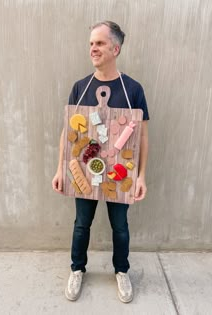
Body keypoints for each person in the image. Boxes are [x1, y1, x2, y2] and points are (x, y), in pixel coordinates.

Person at [52, 21, 149, 303]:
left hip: (121, 173)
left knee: (120, 225)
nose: (93, 48)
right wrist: (60, 169)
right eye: (91, 43)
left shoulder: (133, 89)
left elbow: (142, 136)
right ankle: (77, 268)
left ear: (115, 49)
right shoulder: (80, 87)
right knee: (82, 223)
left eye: (100, 43)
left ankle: (121, 271)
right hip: (84, 170)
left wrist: (141, 175)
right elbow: (67, 134)